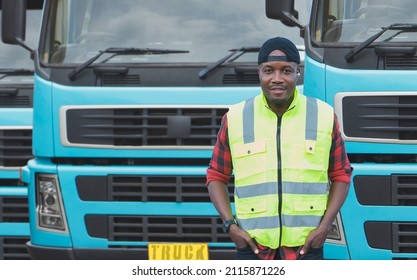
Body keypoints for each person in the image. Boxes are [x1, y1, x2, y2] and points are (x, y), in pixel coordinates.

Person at [206, 36, 352, 260]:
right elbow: (216, 175)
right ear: (259, 73)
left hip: (306, 248)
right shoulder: (235, 118)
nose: (277, 79)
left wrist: (324, 227)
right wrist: (230, 226)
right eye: (268, 71)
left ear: (297, 73)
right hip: (253, 249)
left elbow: (341, 175)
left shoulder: (324, 116)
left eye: (286, 70)